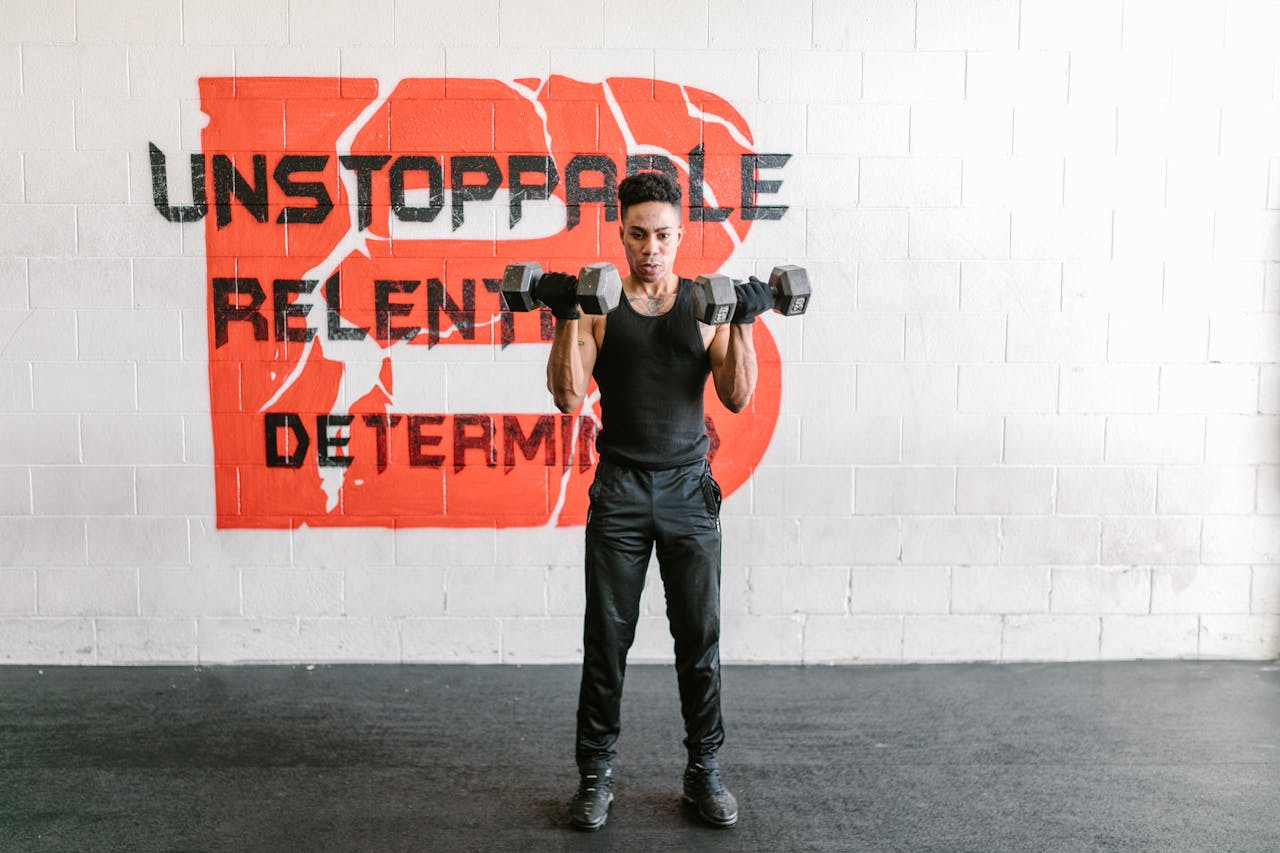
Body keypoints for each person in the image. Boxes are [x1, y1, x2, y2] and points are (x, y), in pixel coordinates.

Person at [542, 171, 772, 831]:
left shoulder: (704, 305)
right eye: (638, 234)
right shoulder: (597, 306)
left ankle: (704, 771)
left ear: (681, 234)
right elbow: (564, 396)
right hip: (619, 489)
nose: (651, 248)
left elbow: (735, 396)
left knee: (699, 638)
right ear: (620, 231)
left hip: (687, 491)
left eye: (664, 235)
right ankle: (595, 776)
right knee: (605, 642)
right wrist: (567, 314)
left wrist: (745, 321)